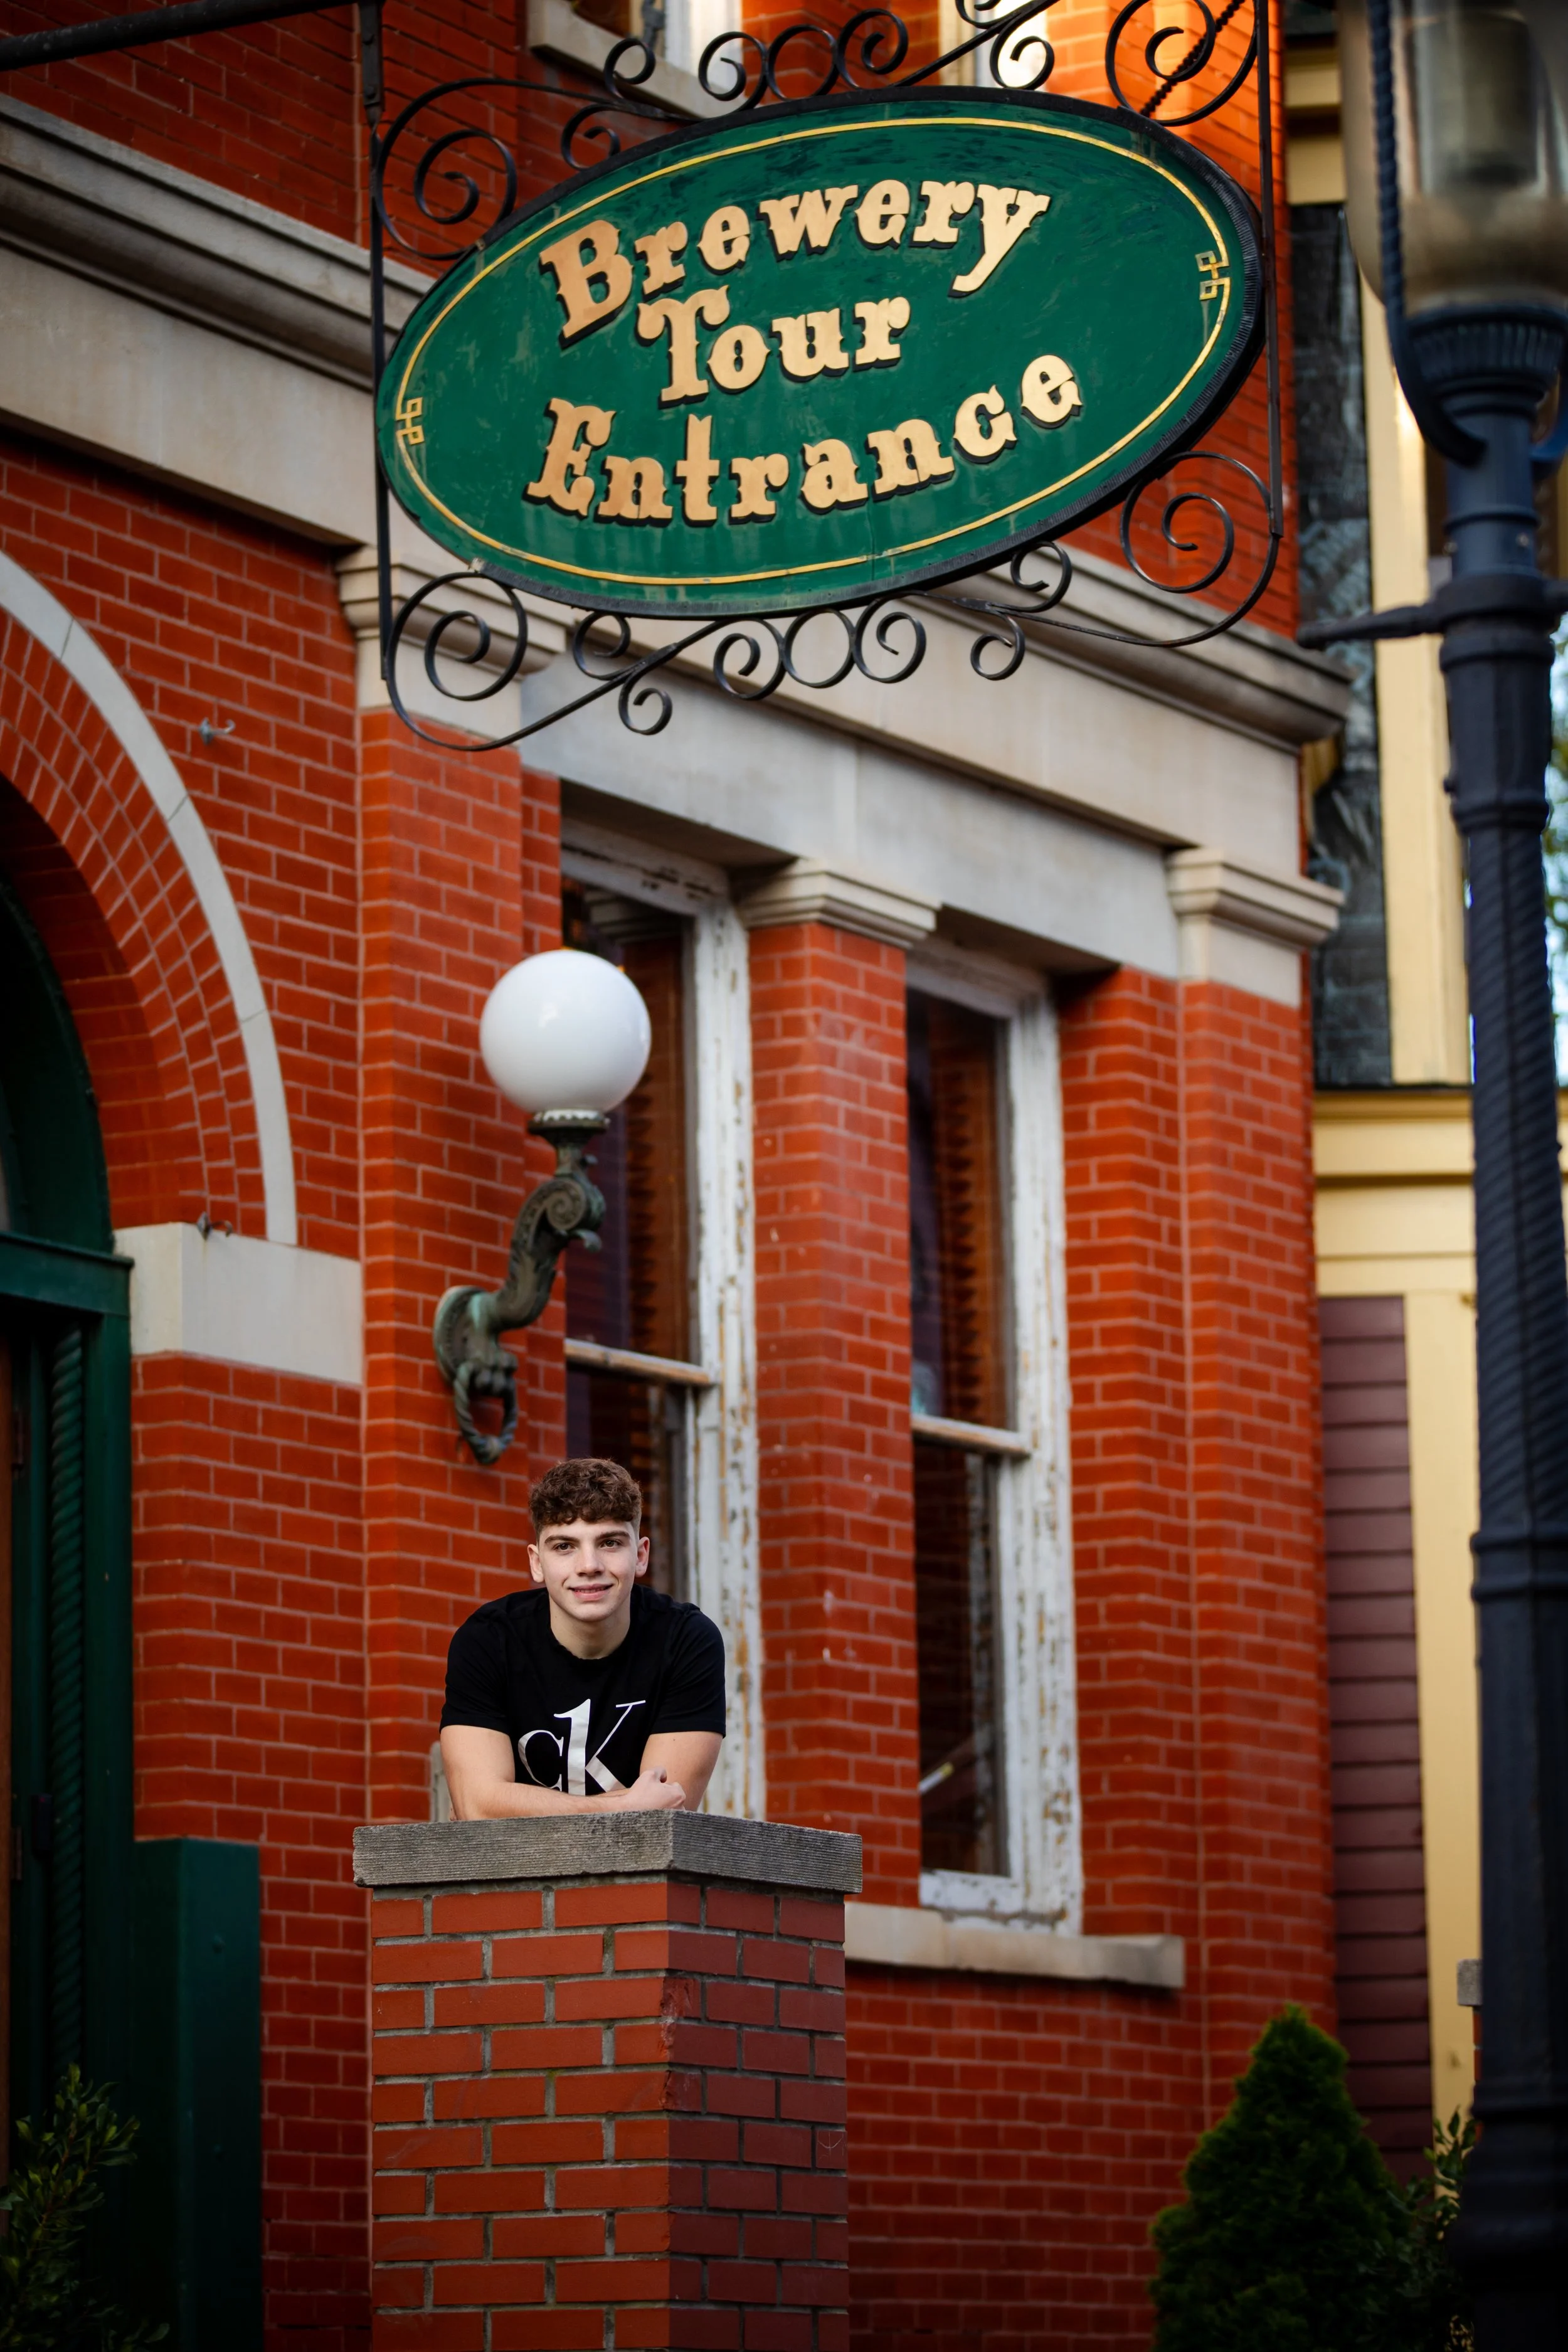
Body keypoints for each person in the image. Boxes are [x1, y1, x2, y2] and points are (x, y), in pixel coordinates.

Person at [438, 1456, 724, 1818]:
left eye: (609, 1543)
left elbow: (658, 1819)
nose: (589, 1566)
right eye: (564, 1546)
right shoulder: (488, 1641)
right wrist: (621, 1807)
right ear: (537, 1563)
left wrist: (511, 1804)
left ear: (641, 1555)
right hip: (509, 1871)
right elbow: (478, 1808)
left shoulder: (686, 1641)